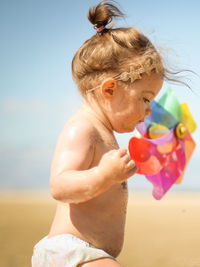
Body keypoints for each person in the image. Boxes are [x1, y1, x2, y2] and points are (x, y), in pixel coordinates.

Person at [31, 2, 184, 266]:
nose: (149, 110)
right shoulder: (83, 128)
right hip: (70, 251)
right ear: (109, 90)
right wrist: (104, 175)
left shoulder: (105, 134)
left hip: (92, 254)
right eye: (145, 99)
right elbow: (60, 186)